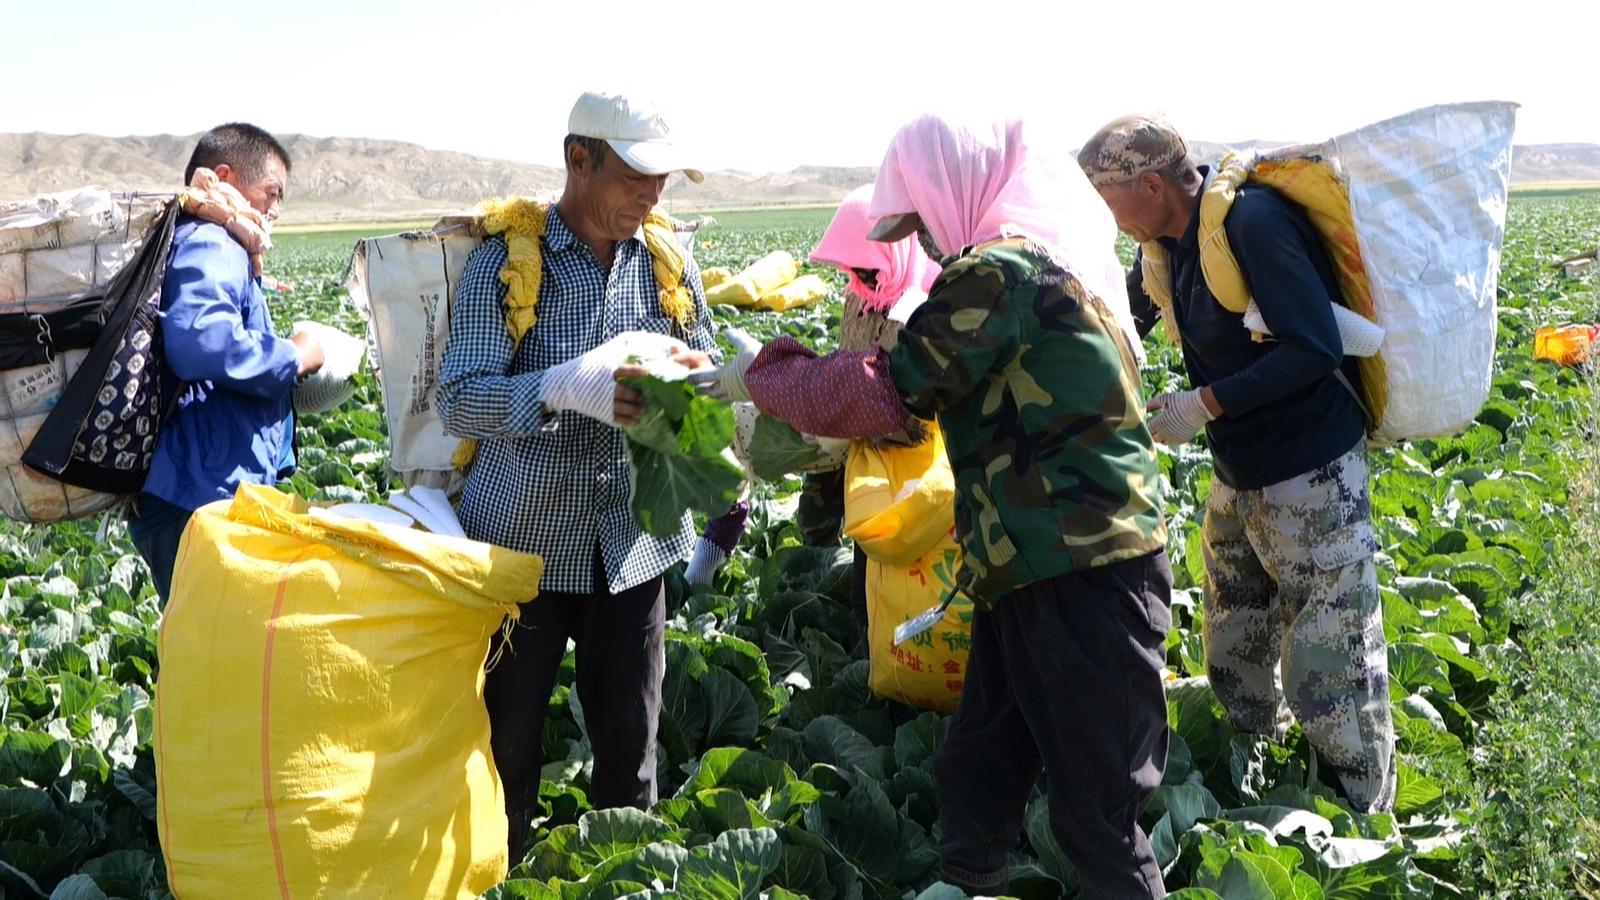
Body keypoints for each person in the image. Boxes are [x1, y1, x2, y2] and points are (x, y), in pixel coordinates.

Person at [692, 114, 1173, 899]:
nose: (925, 238)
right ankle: (969, 881)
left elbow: (893, 393)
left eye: (918, 216)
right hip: (1027, 571)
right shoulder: (1024, 265)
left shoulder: (1003, 274)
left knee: (1100, 821)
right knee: (978, 770)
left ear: (956, 189)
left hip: (1087, 572)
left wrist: (763, 377)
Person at [1078, 114, 1396, 813]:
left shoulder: (1251, 224)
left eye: (1107, 201)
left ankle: (1362, 815)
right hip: (1239, 472)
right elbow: (1121, 318)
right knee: (1234, 633)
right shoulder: (1164, 245)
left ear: (1152, 185)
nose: (1108, 219)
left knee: (1329, 654)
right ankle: (1256, 767)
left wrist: (1203, 404)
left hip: (1311, 472)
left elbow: (1314, 347)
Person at [436, 90, 717, 861]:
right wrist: (561, 389)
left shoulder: (666, 260)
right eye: (637, 175)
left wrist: (693, 381)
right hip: (522, 545)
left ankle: (626, 872)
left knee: (631, 746)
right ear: (579, 160)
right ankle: (502, 867)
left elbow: (705, 360)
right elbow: (460, 397)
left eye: (663, 180)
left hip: (634, 543)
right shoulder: (510, 258)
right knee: (508, 748)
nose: (654, 194)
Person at [131, 122, 323, 604]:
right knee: (208, 658)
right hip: (196, 494)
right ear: (224, 176)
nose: (275, 210)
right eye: (271, 193)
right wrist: (294, 356)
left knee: (209, 650)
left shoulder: (217, 243)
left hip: (200, 486)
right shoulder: (213, 243)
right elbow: (202, 340)